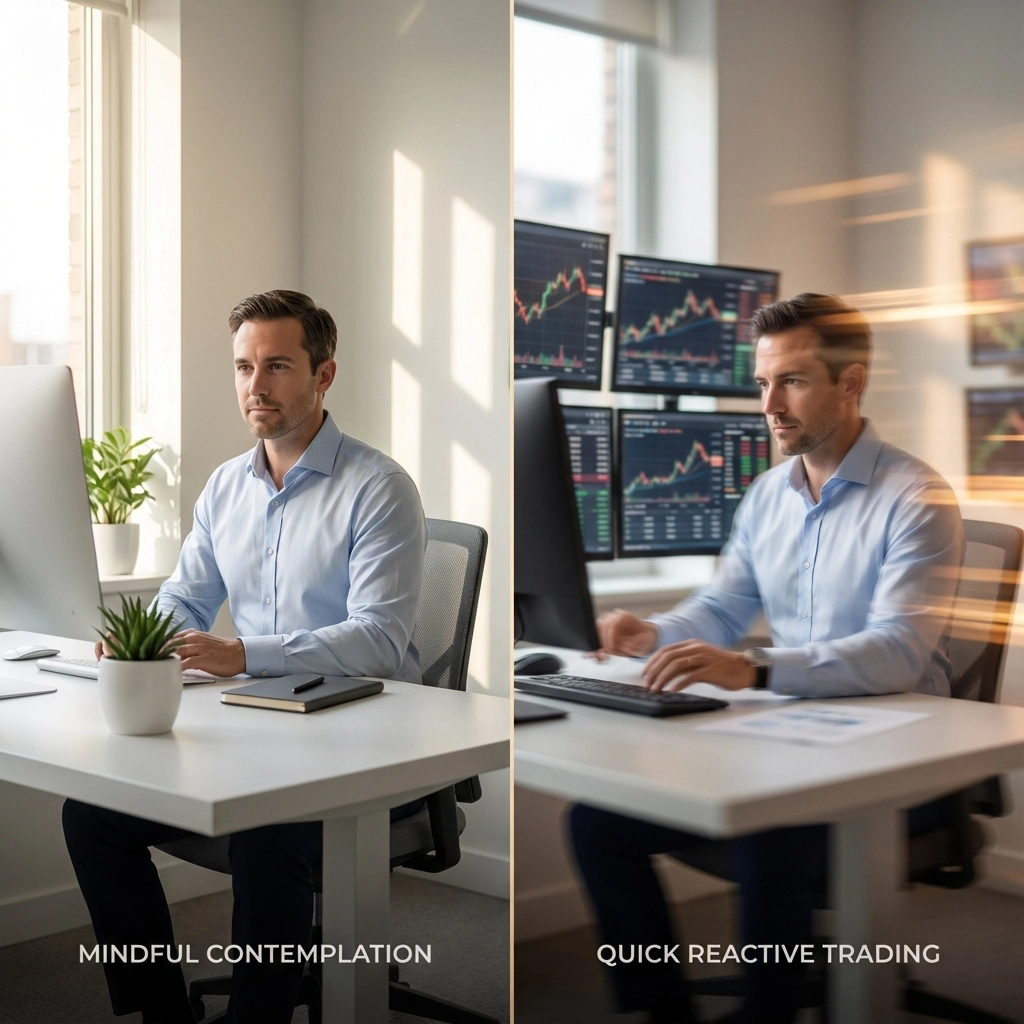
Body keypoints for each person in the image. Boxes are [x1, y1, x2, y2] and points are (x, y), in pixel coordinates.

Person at [570, 293, 964, 1024]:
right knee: (597, 823)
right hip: (792, 741)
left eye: (793, 381)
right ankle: (664, 1011)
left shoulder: (916, 497)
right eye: (762, 384)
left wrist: (754, 670)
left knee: (769, 834)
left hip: (904, 760)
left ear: (851, 383)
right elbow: (721, 608)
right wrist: (649, 634)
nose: (770, 405)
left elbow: (899, 653)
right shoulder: (766, 496)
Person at [62, 290, 426, 1024]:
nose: (254, 386)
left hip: (364, 737)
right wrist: (143, 640)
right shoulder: (226, 487)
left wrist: (242, 653)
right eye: (243, 367)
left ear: (323, 376)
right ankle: (160, 1011)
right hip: (258, 730)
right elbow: (184, 599)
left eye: (277, 366)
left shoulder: (379, 488)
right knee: (92, 815)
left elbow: (379, 640)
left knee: (269, 833)